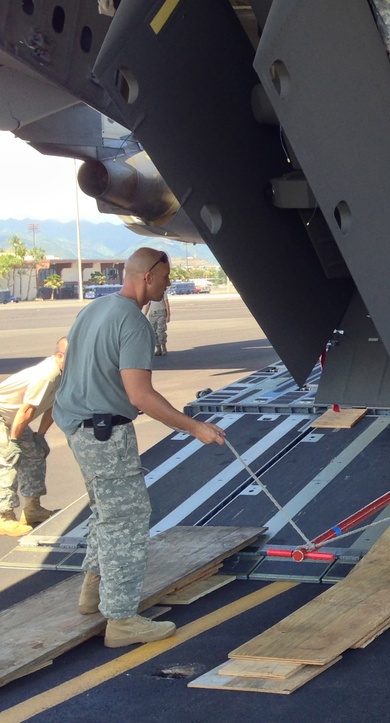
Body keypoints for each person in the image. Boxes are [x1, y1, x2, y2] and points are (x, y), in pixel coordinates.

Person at [53, 248, 226, 648]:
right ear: (148, 276)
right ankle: (122, 620)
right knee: (127, 522)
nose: (168, 286)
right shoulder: (133, 323)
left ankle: (92, 590)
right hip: (106, 435)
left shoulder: (94, 310)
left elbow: (80, 370)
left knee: (105, 512)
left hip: (79, 428)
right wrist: (195, 427)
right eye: (166, 279)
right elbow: (142, 395)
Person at [0, 337, 68, 536]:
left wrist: (40, 435)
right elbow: (27, 410)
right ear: (59, 356)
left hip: (14, 419)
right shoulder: (47, 375)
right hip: (4, 416)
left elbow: (54, 405)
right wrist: (13, 441)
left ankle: (32, 509)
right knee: (8, 460)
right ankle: (4, 516)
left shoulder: (65, 373)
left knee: (35, 453)